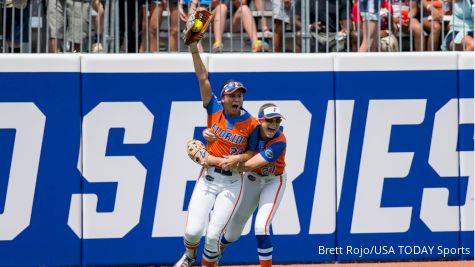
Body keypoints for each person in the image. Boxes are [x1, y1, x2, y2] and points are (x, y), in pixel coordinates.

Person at [174, 41, 258, 267]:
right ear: (223, 99)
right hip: (209, 177)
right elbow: (202, 78)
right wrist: (193, 48)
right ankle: (190, 257)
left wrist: (239, 159)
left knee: (212, 238)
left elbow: (253, 153)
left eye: (240, 96)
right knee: (193, 232)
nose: (237, 99)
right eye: (232, 96)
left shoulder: (251, 123)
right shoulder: (214, 110)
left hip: (232, 183)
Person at [204, 103, 287, 267]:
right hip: (251, 179)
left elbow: (249, 165)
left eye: (277, 121)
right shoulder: (250, 130)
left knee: (261, 227)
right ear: (260, 120)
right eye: (270, 120)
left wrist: (218, 162)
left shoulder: (279, 141)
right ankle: (215, 255)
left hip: (273, 181)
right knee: (233, 232)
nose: (274, 125)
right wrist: (207, 133)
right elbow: (225, 134)